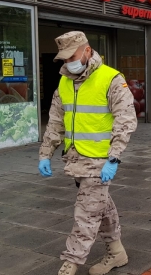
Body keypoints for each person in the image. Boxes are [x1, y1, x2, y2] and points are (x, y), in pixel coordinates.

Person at [37, 31, 137, 275]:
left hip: (100, 161)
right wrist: (45, 153)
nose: (67, 62)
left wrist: (114, 158)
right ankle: (116, 252)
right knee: (102, 207)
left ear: (87, 50)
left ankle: (70, 263)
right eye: (63, 58)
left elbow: (126, 120)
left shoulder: (111, 78)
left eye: (71, 56)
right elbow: (56, 121)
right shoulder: (64, 81)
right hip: (76, 159)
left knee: (86, 212)